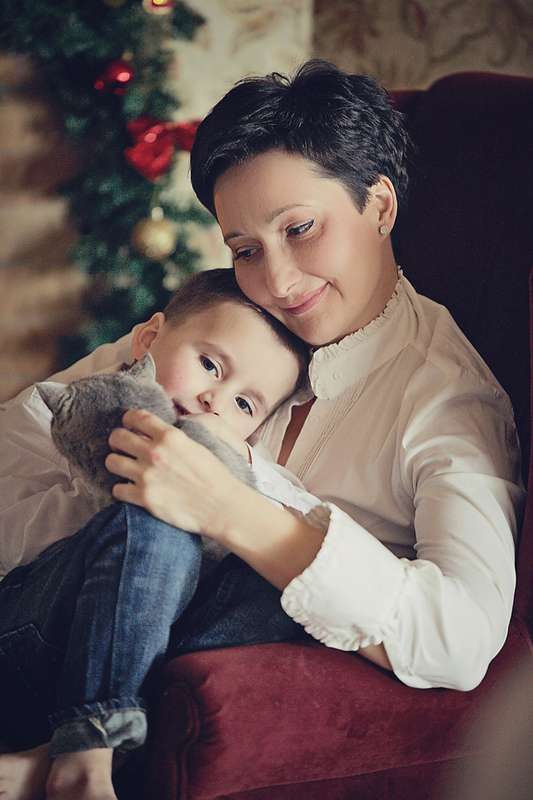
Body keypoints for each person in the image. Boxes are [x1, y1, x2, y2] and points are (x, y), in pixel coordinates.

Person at [0, 58, 525, 797]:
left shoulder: (446, 401)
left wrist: (233, 509)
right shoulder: (222, 323)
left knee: (275, 586)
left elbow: (462, 639)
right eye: (245, 249)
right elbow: (23, 434)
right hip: (40, 623)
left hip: (191, 667)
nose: (276, 281)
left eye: (300, 229)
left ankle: (76, 754)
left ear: (379, 206)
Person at [0, 268, 318, 800]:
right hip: (28, 637)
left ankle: (67, 754)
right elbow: (13, 540)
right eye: (210, 365)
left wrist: (228, 473)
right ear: (149, 339)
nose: (215, 401)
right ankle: (85, 759)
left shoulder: (243, 462)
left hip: (136, 676)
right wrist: (133, 469)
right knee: (156, 512)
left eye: (245, 405)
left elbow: (307, 530)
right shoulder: (50, 408)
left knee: (277, 578)